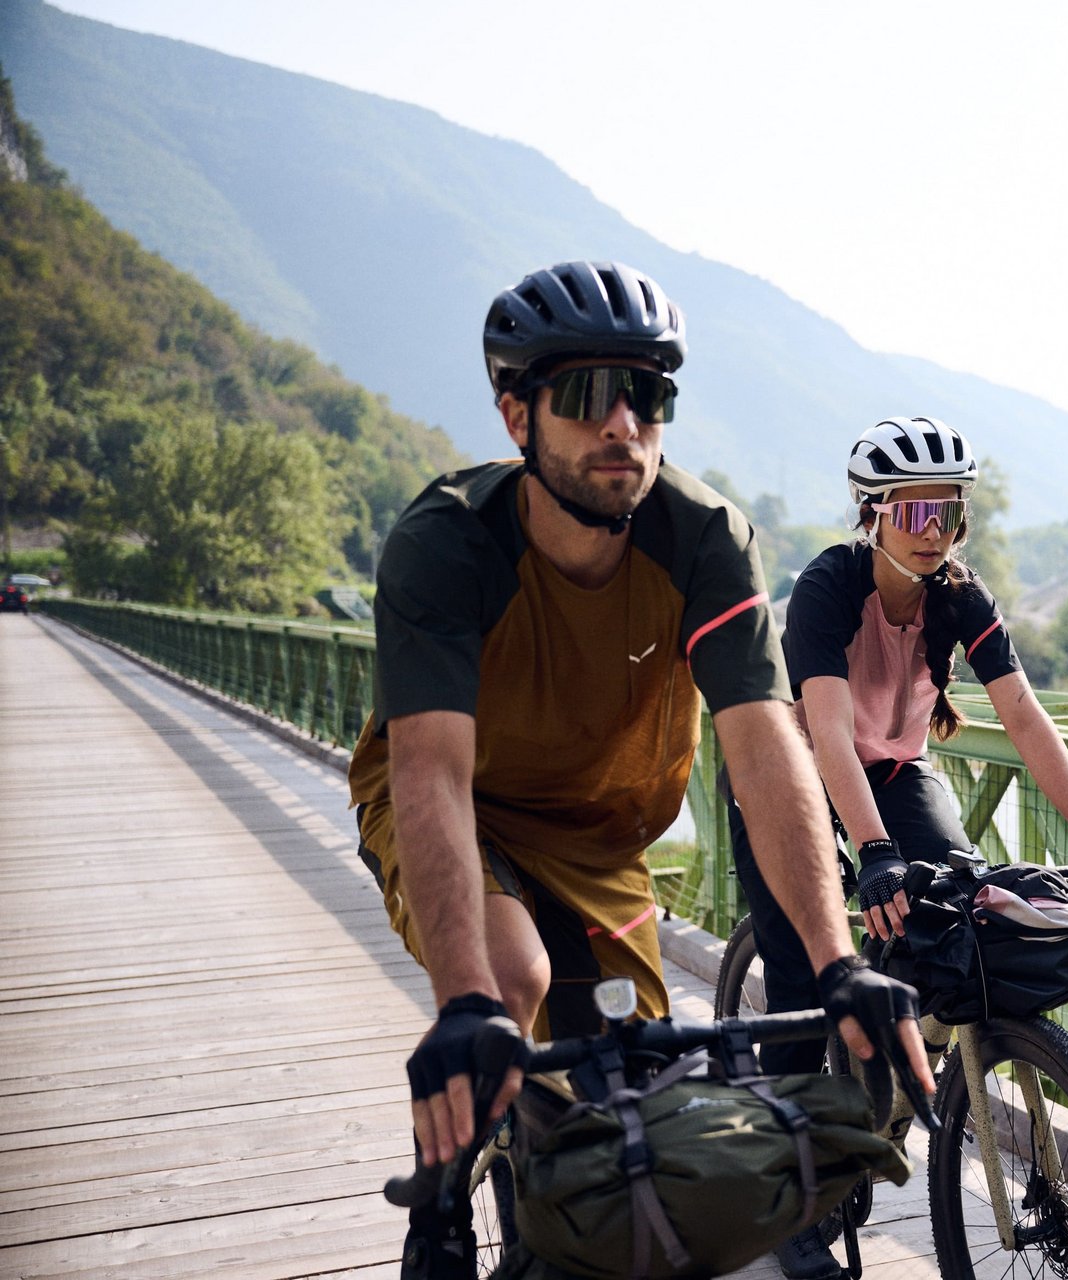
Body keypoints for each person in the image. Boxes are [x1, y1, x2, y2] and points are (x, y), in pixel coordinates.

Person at [347, 261, 933, 1280]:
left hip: (604, 836)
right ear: (515, 413)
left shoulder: (703, 538)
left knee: (640, 1101)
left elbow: (763, 744)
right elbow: (433, 771)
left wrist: (839, 962)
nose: (624, 424)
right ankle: (440, 1196)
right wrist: (463, 1003)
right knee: (510, 984)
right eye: (584, 395)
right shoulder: (448, 543)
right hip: (463, 806)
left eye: (648, 395)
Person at [726, 415, 1068, 1280]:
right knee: (808, 971)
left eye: (949, 515)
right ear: (872, 513)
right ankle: (787, 1198)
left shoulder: (960, 595)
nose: (934, 534)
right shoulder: (826, 589)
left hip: (897, 768)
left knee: (958, 915)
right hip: (794, 771)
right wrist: (874, 851)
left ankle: (882, 1082)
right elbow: (832, 740)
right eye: (915, 513)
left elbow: (1025, 716)